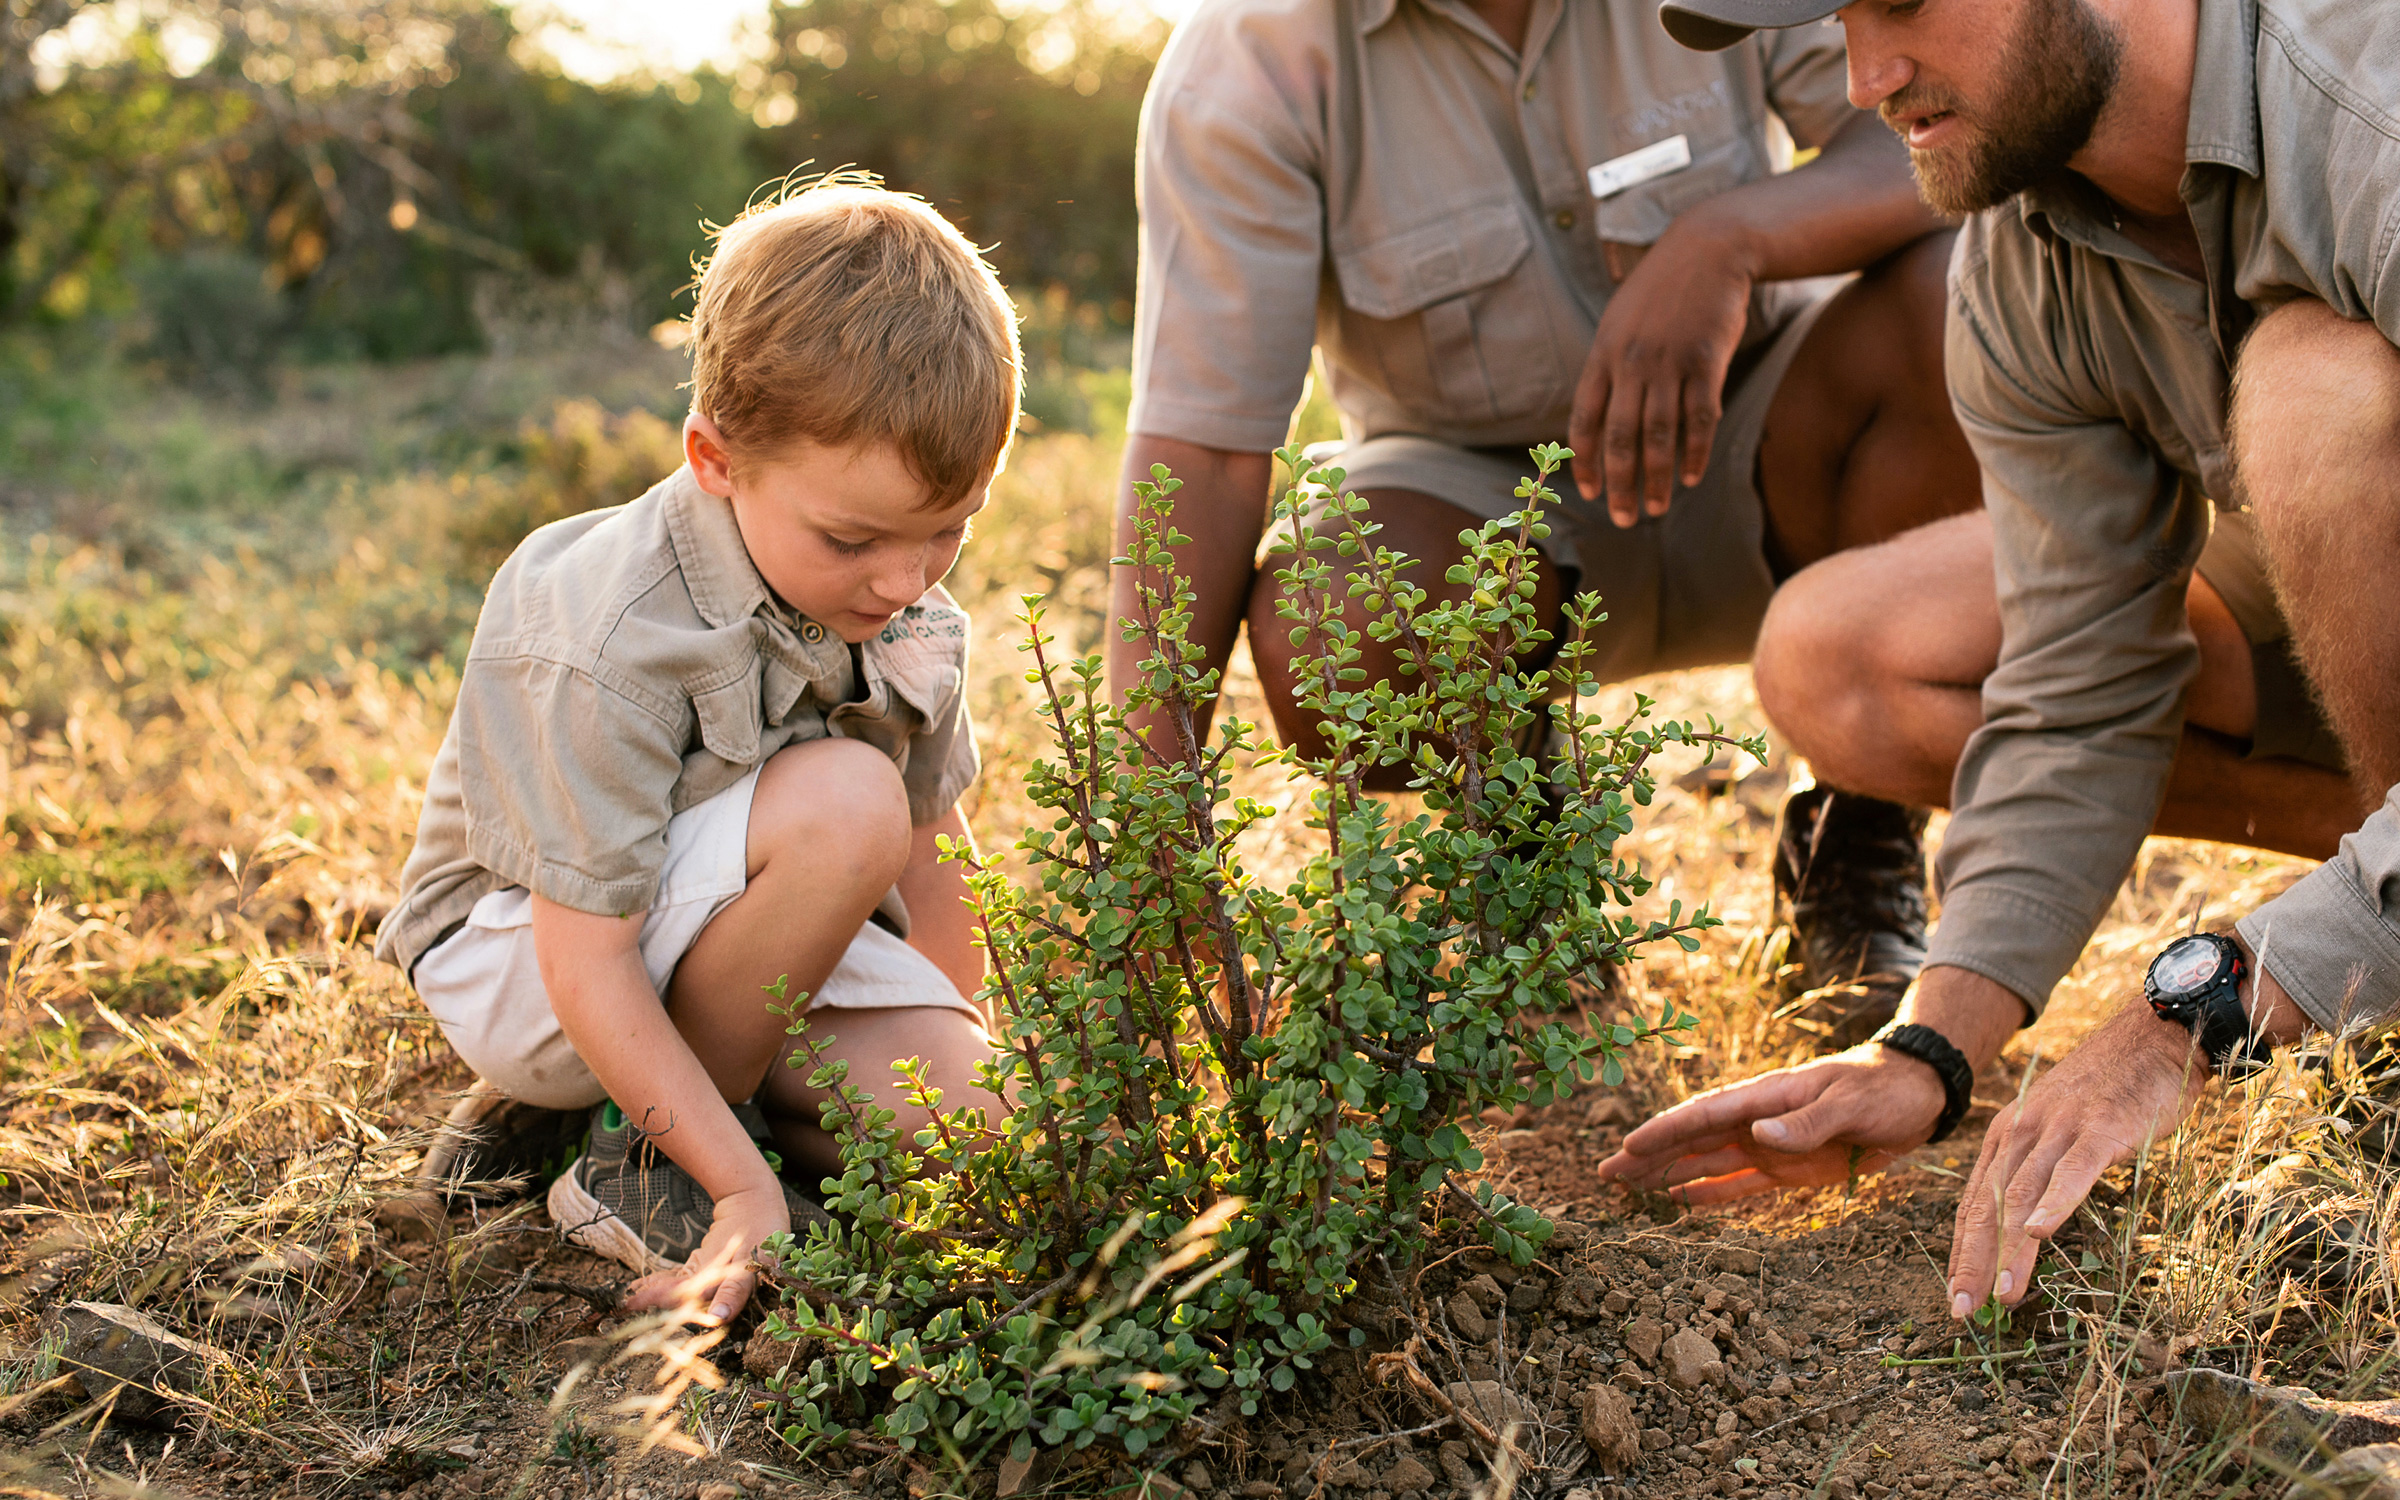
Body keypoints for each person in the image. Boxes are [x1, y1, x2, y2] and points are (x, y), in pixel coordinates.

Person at [1606, 0, 2400, 1324]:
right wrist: (1929, 1047)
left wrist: (2201, 1015)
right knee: (1843, 646)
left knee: (2316, 396)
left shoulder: (2368, 117)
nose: (1867, 78)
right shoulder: (2026, 248)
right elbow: (2081, 684)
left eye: (1902, 1)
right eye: (1840, 20)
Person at [1112, 0, 1990, 1044]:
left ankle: (1856, 836)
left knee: (1965, 301)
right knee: (1333, 612)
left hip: (1766, 439)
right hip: (1478, 508)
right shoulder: (1249, 61)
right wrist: (1151, 826)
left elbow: (1942, 124)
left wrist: (1728, 240)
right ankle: (1532, 870)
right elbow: (1204, 451)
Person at [374, 178, 1018, 1326]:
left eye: (947, 529)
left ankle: (637, 1118)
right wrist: (740, 1186)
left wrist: (972, 1038)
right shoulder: (609, 627)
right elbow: (587, 953)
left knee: (980, 1132)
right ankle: (641, 1154)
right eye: (854, 537)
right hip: (533, 954)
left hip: (743, 928)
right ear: (716, 461)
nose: (903, 580)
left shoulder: (903, 605)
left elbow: (933, 847)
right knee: (847, 804)